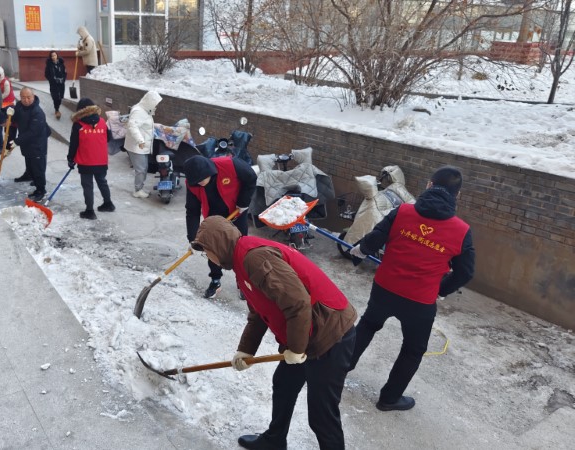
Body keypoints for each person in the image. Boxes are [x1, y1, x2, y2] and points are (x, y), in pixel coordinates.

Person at [191, 216, 357, 450]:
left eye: (207, 252)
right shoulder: (241, 261)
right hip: (305, 330)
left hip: (329, 332)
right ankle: (275, 440)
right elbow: (259, 311)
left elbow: (298, 303)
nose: (208, 258)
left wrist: (296, 349)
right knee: (284, 384)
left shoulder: (255, 258)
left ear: (218, 245)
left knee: (322, 416)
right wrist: (245, 350)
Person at [347, 165, 475, 412]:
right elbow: (465, 272)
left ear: (429, 185)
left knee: (367, 326)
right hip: (420, 301)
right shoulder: (461, 231)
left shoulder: (403, 212)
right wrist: (441, 289)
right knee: (413, 349)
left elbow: (376, 237)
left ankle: (338, 369)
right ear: (457, 195)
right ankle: (389, 398)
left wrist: (360, 250)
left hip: (385, 288)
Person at [183, 155, 257, 298]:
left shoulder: (230, 165)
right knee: (212, 248)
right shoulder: (192, 183)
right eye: (196, 182)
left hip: (236, 211)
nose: (199, 183)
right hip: (213, 218)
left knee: (240, 248)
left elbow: (251, 177)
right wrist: (193, 238)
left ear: (209, 172)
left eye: (201, 180)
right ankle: (215, 280)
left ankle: (242, 282)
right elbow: (192, 211)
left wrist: (243, 202)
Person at [67, 98, 114, 220]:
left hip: (86, 161)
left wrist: (70, 159)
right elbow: (109, 138)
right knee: (102, 181)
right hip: (101, 160)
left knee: (88, 185)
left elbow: (74, 144)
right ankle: (108, 204)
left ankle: (89, 211)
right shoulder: (102, 121)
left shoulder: (78, 125)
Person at [5, 87, 50, 202]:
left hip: (37, 144)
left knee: (38, 168)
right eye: (23, 97)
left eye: (28, 97)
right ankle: (29, 175)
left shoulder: (38, 112)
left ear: (33, 97)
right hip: (27, 143)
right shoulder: (20, 106)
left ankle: (41, 190)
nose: (26, 100)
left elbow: (33, 132)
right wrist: (8, 115)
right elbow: (15, 116)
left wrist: (17, 141)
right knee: (29, 162)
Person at [125, 91, 162, 198]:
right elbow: (132, 126)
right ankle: (138, 190)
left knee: (144, 168)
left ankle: (140, 188)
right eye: (155, 103)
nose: (156, 106)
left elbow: (144, 125)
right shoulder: (138, 111)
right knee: (141, 169)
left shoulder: (145, 110)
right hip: (137, 146)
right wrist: (140, 141)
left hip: (142, 146)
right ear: (150, 101)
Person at [0, 66, 16, 150]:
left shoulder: (5, 82)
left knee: (9, 125)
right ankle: (5, 143)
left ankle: (9, 144)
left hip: (9, 104)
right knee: (3, 123)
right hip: (2, 104)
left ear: (1, 74)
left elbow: (6, 93)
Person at [45, 51, 67, 120]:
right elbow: (46, 74)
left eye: (55, 55)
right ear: (50, 57)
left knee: (60, 98)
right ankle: (57, 110)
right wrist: (52, 80)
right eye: (52, 56)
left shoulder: (61, 64)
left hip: (61, 83)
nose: (54, 57)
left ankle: (57, 106)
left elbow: (65, 73)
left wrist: (63, 79)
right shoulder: (49, 65)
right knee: (55, 97)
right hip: (54, 84)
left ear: (57, 56)